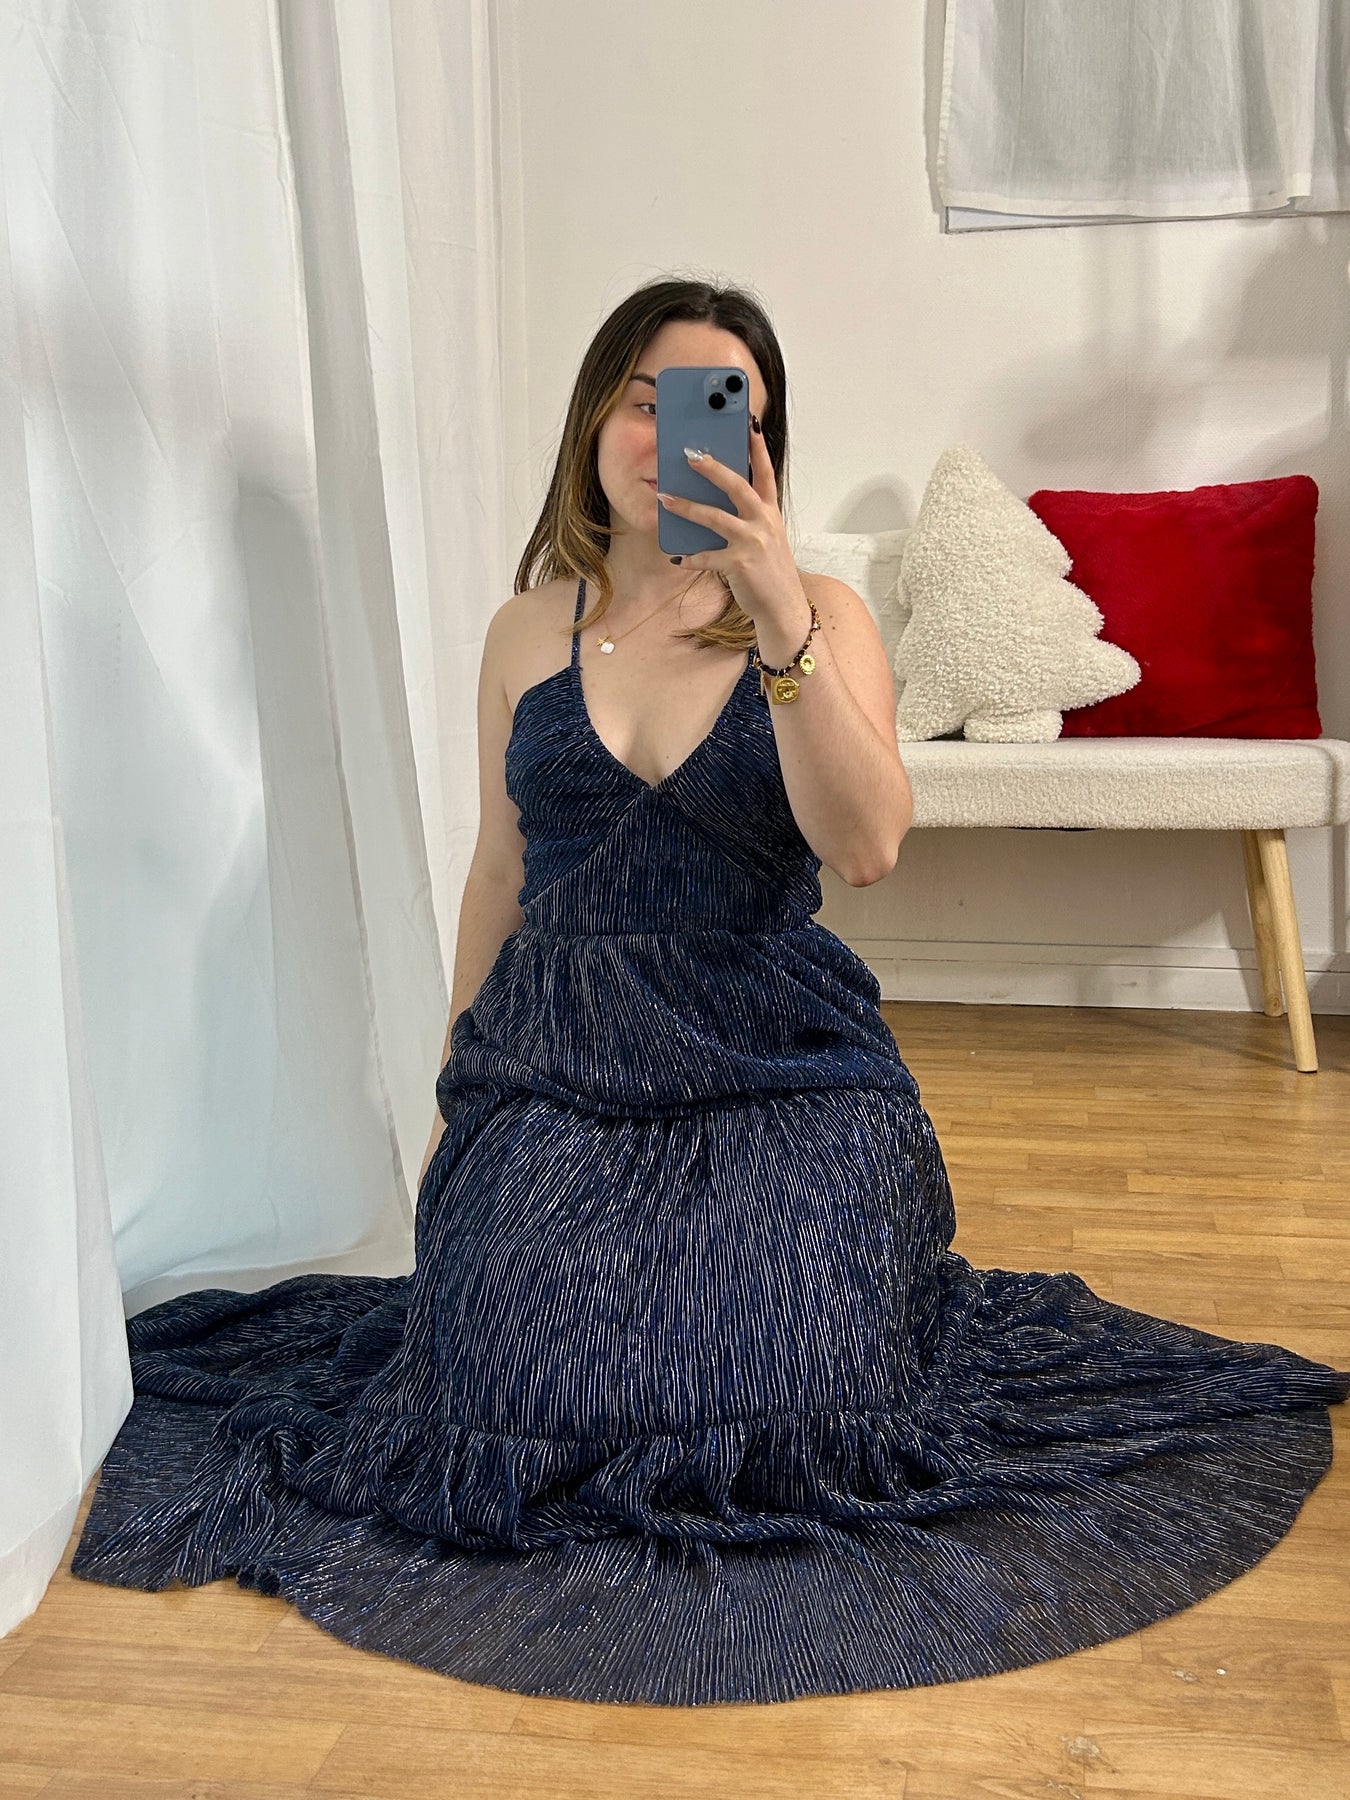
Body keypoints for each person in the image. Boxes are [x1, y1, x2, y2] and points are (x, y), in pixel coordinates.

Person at [71, 276, 1350, 1708]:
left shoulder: (820, 615)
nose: (671, 435)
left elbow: (866, 846)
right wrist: (456, 1094)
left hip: (778, 1054)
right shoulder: (524, 632)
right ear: (594, 421)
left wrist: (783, 618)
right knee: (501, 1370)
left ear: (759, 444)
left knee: (802, 1369)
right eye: (645, 398)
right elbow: (500, 868)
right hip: (560, 1060)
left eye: (718, 407)